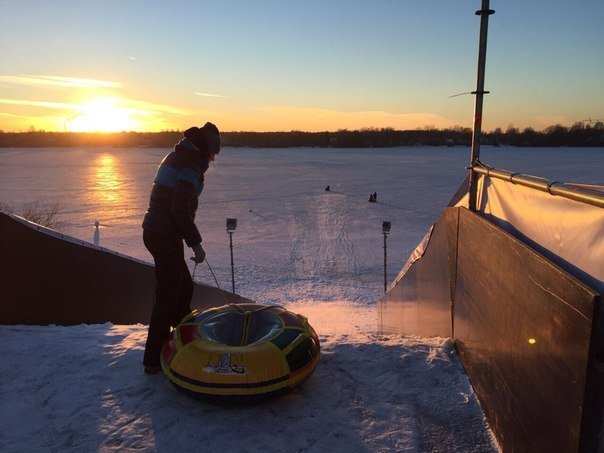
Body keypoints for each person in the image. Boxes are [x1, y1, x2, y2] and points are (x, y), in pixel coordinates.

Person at [141, 122, 220, 374]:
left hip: (160, 232)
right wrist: (195, 243)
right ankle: (154, 360)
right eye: (213, 153)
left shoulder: (181, 155)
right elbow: (179, 208)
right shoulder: (189, 164)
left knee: (182, 287)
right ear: (206, 149)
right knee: (168, 295)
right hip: (163, 233)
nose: (213, 158)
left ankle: (182, 342)